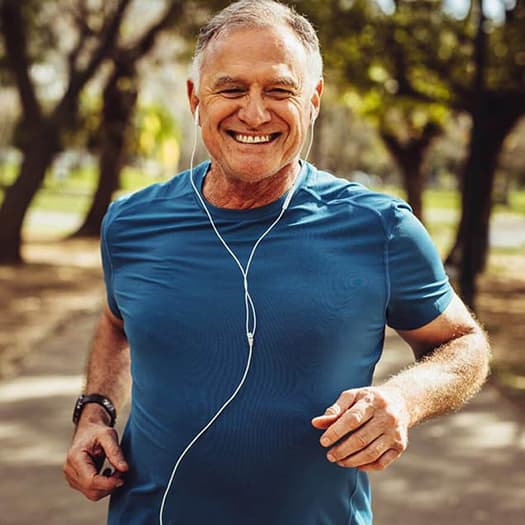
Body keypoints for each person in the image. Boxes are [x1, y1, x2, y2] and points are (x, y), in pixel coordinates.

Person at [64, 1, 490, 524]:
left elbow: (463, 344)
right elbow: (116, 323)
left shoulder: (381, 227)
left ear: (312, 101)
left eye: (280, 90)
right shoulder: (130, 223)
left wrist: (405, 398)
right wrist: (94, 412)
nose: (255, 113)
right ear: (195, 98)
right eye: (232, 88)